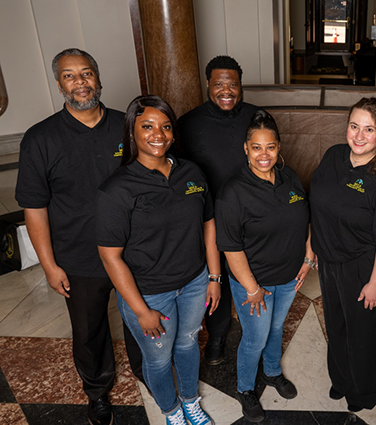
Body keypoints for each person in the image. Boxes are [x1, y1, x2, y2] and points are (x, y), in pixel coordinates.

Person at [15, 48, 143, 425]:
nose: (80, 82)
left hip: (134, 250)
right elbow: (34, 207)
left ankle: (148, 374)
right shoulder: (40, 138)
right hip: (79, 256)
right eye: (70, 76)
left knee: (142, 317)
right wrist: (50, 265)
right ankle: (98, 392)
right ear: (59, 85)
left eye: (86, 74)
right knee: (89, 332)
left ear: (98, 78)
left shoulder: (129, 126)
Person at [96, 95, 220, 425]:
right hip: (151, 293)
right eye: (147, 126)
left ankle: (190, 400)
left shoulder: (192, 172)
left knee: (189, 343)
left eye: (166, 127)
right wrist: (141, 310)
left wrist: (214, 277)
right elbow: (110, 257)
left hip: (194, 282)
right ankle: (171, 410)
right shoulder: (117, 190)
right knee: (159, 358)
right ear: (132, 132)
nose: (158, 134)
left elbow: (208, 225)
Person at [310, 97, 376, 411]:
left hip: (363, 266)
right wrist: (312, 244)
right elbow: (318, 205)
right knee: (337, 325)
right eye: (354, 126)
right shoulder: (334, 155)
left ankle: (363, 393)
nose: (359, 135)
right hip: (328, 260)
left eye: (369, 129)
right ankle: (341, 380)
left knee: (363, 333)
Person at [216, 110, 313, 423]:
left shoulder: (291, 177)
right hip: (253, 283)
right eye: (256, 147)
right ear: (246, 148)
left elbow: (307, 219)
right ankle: (245, 389)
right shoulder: (233, 192)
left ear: (279, 147)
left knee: (275, 329)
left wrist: (309, 257)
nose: (264, 154)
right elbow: (230, 248)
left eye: (270, 147)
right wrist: (252, 289)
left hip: (287, 278)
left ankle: (272, 372)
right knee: (255, 337)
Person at [178, 55, 261, 365]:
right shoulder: (188, 123)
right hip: (210, 216)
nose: (227, 90)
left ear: (241, 86)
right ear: (208, 85)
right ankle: (217, 335)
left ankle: (257, 330)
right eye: (219, 84)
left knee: (253, 271)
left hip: (252, 212)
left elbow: (271, 160)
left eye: (233, 84)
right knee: (218, 279)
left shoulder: (258, 116)